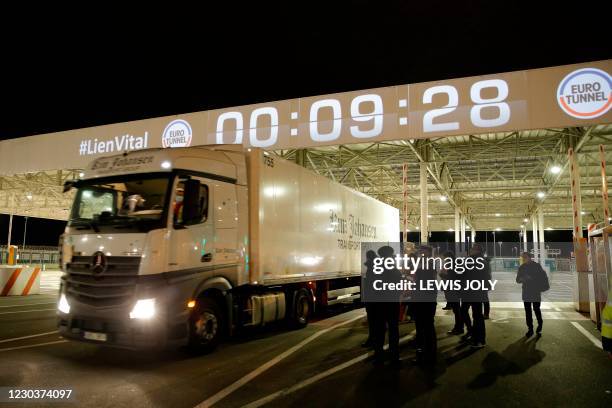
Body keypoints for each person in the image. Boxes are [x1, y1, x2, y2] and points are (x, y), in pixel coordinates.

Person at [371, 245, 402, 367]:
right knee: (393, 330)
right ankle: (394, 357)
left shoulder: (376, 269)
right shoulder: (394, 270)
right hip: (392, 303)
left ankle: (379, 357)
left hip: (379, 304)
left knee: (379, 331)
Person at [411, 245, 438, 364]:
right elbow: (415, 278)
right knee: (420, 324)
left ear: (428, 252)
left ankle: (429, 351)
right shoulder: (419, 264)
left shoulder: (431, 264)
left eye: (423, 251)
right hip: (420, 298)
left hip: (427, 298)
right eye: (420, 251)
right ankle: (422, 348)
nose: (421, 253)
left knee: (427, 325)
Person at [460, 243, 488, 349]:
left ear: (477, 250)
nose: (470, 250)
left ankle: (479, 340)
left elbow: (464, 274)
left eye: (472, 248)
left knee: (477, 316)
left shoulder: (474, 260)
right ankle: (473, 333)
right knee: (468, 313)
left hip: (473, 292)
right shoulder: (478, 260)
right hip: (473, 292)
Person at [516, 251, 549, 337]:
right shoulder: (521, 267)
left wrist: (532, 278)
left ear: (530, 257)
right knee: (528, 311)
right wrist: (522, 279)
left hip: (535, 291)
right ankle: (530, 329)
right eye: (522, 258)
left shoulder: (537, 266)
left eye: (525, 257)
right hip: (526, 292)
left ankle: (540, 325)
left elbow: (542, 277)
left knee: (536, 309)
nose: (523, 259)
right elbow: (517, 280)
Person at [440, 250, 463, 335]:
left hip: (453, 289)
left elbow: (451, 277)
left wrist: (442, 275)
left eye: (444, 258)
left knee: (456, 310)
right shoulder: (456, 262)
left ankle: (459, 328)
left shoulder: (451, 264)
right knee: (457, 309)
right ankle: (460, 327)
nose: (444, 259)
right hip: (456, 289)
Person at [361, 249, 378, 348]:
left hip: (371, 298)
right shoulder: (377, 266)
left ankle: (372, 340)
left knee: (373, 321)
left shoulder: (371, 267)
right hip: (375, 298)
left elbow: (369, 285)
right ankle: (374, 340)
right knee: (375, 321)